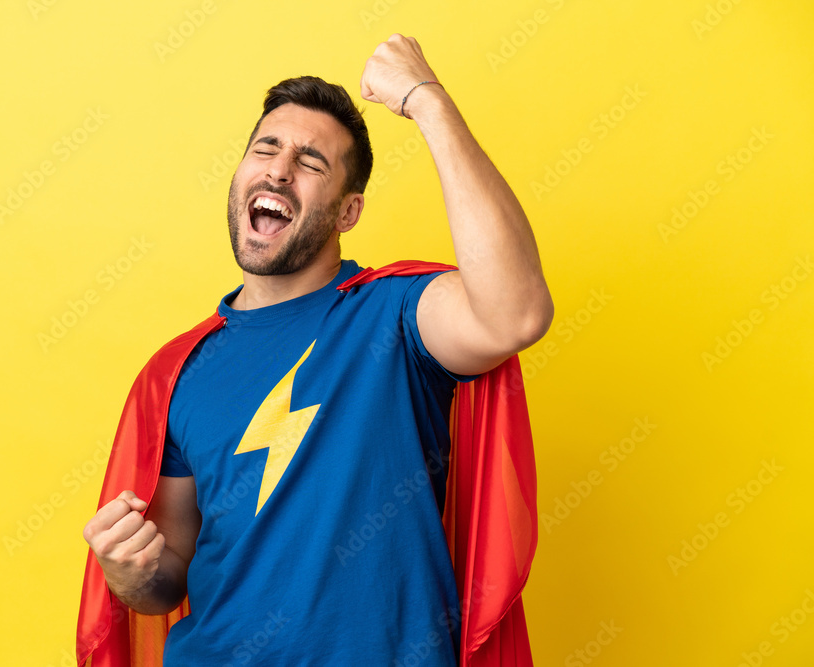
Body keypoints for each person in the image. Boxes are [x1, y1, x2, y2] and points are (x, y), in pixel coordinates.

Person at [79, 34, 553, 666]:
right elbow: (167, 579)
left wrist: (429, 103)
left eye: (311, 162)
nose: (278, 168)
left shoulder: (397, 316)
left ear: (347, 211)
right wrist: (126, 570)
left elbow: (516, 313)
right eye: (265, 149)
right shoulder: (178, 371)